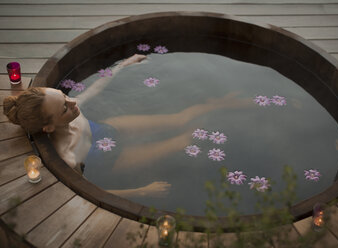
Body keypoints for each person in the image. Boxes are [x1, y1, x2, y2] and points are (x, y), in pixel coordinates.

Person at [3, 54, 253, 197]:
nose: (72, 102)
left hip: (105, 130)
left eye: (65, 95)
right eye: (64, 107)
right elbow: (92, 193)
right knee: (183, 140)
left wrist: (122, 65)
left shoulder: (72, 110)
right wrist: (142, 190)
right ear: (48, 127)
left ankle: (224, 103)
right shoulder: (68, 158)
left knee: (180, 119)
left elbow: (95, 87)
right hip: (109, 159)